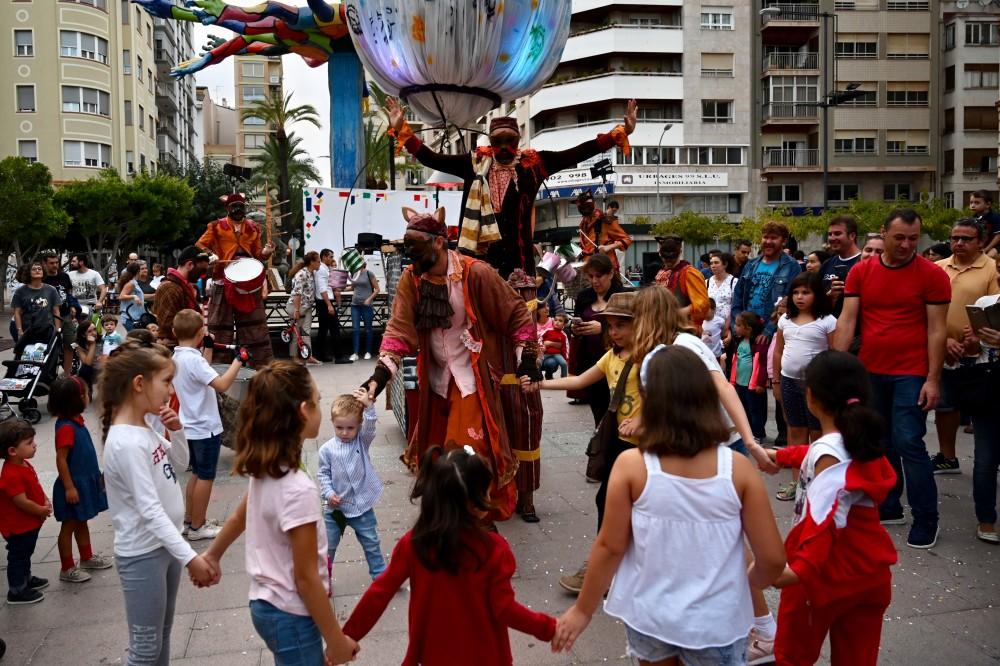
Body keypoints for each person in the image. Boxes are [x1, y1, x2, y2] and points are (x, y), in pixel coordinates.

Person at [551, 344, 786, 662]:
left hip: (651, 616)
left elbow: (609, 546)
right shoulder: (738, 469)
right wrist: (746, 584)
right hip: (717, 621)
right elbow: (771, 559)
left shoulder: (632, 466)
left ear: (649, 401)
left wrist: (583, 610)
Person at [360, 207, 541, 523]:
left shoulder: (475, 273)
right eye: (409, 249)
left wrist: (526, 361)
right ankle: (449, 518)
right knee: (438, 454)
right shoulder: (411, 279)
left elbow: (516, 314)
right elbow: (398, 330)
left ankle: (470, 522)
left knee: (467, 451)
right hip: (435, 381)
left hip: (471, 379)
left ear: (440, 243)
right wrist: (376, 379)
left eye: (417, 248)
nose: (412, 257)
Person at [200, 361, 361, 665]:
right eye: (317, 401)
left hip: (267, 603)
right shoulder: (297, 488)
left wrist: (212, 555)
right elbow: (306, 578)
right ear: (304, 411)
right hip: (291, 613)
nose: (320, 407)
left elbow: (239, 516)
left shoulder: (268, 466)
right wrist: (335, 640)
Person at [342, 447, 557, 663]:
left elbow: (380, 592)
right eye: (486, 491)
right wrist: (550, 628)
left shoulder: (414, 544)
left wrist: (347, 636)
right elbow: (505, 608)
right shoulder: (494, 549)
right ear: (474, 504)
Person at [385, 96, 637, 278]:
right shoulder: (474, 163)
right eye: (498, 141)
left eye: (510, 141)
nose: (504, 147)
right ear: (490, 141)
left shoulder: (533, 164)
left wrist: (619, 133)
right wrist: (403, 131)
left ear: (518, 140)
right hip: (478, 257)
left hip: (519, 259)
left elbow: (576, 153)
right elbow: (432, 159)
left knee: (519, 325)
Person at [767, 351, 898, 666]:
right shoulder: (862, 441)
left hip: (820, 579)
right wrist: (781, 456)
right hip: (869, 575)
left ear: (810, 397)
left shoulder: (829, 452)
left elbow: (823, 519)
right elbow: (821, 455)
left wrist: (796, 572)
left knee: (792, 657)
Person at [834, 208, 951, 549]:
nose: (906, 245)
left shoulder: (931, 275)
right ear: (883, 233)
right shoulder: (862, 271)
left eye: (913, 239)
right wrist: (837, 371)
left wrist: (933, 379)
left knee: (909, 442)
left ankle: (927, 518)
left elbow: (937, 330)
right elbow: (847, 321)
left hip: (911, 372)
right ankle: (889, 505)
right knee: (880, 441)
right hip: (871, 370)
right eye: (899, 237)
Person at [100, 340, 217, 663]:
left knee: (161, 636)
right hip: (143, 554)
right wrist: (191, 557)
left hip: (164, 547)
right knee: (145, 648)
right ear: (139, 384)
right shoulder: (125, 442)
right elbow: (149, 510)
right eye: (166, 381)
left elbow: (178, 466)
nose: (170, 390)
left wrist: (176, 431)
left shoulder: (144, 430)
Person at [528, 292, 638, 591]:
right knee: (610, 502)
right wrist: (540, 385)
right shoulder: (612, 356)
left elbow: (668, 396)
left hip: (645, 448)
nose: (614, 332)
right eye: (610, 325)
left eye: (621, 325)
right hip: (619, 444)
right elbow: (578, 380)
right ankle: (610, 566)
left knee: (619, 504)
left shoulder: (651, 356)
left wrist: (645, 418)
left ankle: (608, 568)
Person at [930, 219, 1000, 474]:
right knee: (945, 405)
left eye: (966, 239)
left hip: (980, 353)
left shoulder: (992, 269)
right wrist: (944, 341)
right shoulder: (937, 268)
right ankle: (947, 457)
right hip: (943, 350)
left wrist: (977, 338)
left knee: (984, 412)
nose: (958, 243)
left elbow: (994, 310)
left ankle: (989, 461)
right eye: (954, 238)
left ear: (981, 241)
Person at [172, 308, 244, 541]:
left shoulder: (179, 358)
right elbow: (222, 384)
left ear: (175, 332)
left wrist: (208, 347)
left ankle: (190, 520)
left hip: (189, 425)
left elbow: (203, 370)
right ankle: (198, 527)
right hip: (205, 427)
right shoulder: (193, 360)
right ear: (200, 332)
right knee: (206, 476)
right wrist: (239, 361)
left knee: (197, 474)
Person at [731, 221, 802, 437]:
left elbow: (790, 302)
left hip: (773, 332)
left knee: (777, 382)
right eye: (765, 237)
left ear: (783, 241)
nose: (768, 241)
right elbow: (738, 296)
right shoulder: (751, 265)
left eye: (774, 238)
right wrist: (737, 323)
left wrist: (770, 330)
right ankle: (755, 431)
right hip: (747, 332)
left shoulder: (791, 267)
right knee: (748, 385)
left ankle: (783, 433)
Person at [773, 272, 836, 501]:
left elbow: (833, 353)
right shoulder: (785, 320)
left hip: (817, 386)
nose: (800, 297)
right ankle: (796, 481)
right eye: (796, 292)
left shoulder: (827, 321)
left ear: (816, 294)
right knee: (795, 431)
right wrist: (776, 381)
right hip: (789, 381)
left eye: (806, 292)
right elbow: (779, 350)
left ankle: (819, 483)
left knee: (818, 433)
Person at [197, 192, 276, 365]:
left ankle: (260, 365)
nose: (239, 209)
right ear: (228, 208)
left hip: (248, 279)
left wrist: (265, 253)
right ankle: (218, 366)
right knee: (219, 324)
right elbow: (201, 244)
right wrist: (211, 255)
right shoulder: (216, 226)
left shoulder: (253, 227)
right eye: (235, 206)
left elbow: (257, 253)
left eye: (241, 206)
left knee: (254, 324)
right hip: (223, 278)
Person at [47, 376, 112, 583]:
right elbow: (61, 459)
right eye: (85, 393)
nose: (88, 396)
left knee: (81, 522)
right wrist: (69, 487)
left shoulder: (75, 422)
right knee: (69, 526)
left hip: (83, 483)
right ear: (76, 399)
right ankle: (67, 568)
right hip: (74, 486)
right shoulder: (66, 427)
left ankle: (86, 557)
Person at [317, 390, 386, 580]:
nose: (345, 432)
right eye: (339, 427)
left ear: (358, 426)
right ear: (332, 423)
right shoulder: (327, 450)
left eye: (350, 428)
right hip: (335, 508)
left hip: (361, 505)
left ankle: (380, 576)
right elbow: (323, 474)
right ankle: (323, 579)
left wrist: (369, 407)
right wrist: (329, 493)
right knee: (328, 546)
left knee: (371, 542)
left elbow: (371, 428)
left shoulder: (361, 441)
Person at [567, 254, 628, 415]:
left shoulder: (622, 296)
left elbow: (633, 327)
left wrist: (603, 329)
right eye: (591, 276)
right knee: (598, 414)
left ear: (610, 274)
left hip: (616, 362)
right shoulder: (584, 296)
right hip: (590, 363)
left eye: (599, 276)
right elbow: (576, 322)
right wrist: (575, 329)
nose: (594, 281)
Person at [0, 420, 52, 605]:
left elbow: (34, 485)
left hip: (29, 523)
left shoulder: (23, 463)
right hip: (18, 526)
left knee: (25, 553)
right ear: (12, 451)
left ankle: (25, 578)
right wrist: (41, 509)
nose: (35, 445)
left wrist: (44, 499)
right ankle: (16, 590)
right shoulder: (11, 473)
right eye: (29, 443)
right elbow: (20, 501)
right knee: (18, 555)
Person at [964, 276, 1000, 543]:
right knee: (985, 460)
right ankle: (986, 519)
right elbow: (973, 350)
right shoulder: (986, 304)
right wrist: (972, 340)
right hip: (989, 387)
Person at [153, 245, 209, 348]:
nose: (203, 276)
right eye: (202, 271)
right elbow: (168, 324)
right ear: (190, 264)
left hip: (183, 346)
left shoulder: (183, 286)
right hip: (173, 349)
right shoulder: (170, 287)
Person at [654, 235, 710, 331]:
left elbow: (702, 304)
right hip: (664, 329)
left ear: (680, 252)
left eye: (672, 257)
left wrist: (678, 313)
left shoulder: (689, 273)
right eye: (665, 257)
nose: (668, 260)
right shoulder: (662, 273)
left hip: (684, 329)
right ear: (660, 254)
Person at [730, 311, 769, 443]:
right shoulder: (740, 340)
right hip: (741, 383)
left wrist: (761, 383)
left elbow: (763, 364)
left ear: (749, 328)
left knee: (755, 410)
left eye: (738, 325)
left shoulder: (759, 344)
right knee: (744, 408)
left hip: (752, 385)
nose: (735, 327)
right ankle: (747, 432)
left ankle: (758, 434)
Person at [12, 261, 61, 358]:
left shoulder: (51, 290)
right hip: (28, 331)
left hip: (47, 330)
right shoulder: (20, 291)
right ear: (28, 273)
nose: (37, 271)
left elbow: (56, 311)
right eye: (34, 269)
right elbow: (17, 313)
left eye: (40, 269)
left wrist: (57, 331)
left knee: (46, 359)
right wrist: (19, 331)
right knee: (25, 358)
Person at [577, 190, 633, 276]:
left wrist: (608, 247)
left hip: (606, 271)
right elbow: (586, 246)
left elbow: (627, 240)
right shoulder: (583, 224)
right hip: (588, 271)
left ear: (594, 204)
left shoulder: (605, 221)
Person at [41, 251, 78, 375]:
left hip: (65, 315)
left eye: (56, 262)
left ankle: (67, 374)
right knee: (48, 346)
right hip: (47, 317)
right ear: (44, 264)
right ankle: (47, 374)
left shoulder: (64, 276)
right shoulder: (42, 278)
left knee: (70, 344)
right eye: (51, 263)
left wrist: (72, 305)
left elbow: (70, 293)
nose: (55, 265)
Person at [819, 215, 863, 319]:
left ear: (852, 236)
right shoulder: (827, 264)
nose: (832, 238)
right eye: (830, 234)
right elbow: (815, 297)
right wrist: (829, 296)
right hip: (829, 328)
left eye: (837, 234)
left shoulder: (864, 262)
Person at [286, 251, 322, 365]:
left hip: (306, 307)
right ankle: (294, 357)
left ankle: (308, 355)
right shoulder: (302, 274)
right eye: (318, 261)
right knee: (296, 332)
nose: (320, 263)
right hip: (297, 306)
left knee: (306, 332)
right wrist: (296, 310)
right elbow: (297, 293)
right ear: (311, 262)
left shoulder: (312, 273)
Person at [313, 248, 342, 363]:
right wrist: (329, 305)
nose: (332, 259)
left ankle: (320, 355)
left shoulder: (325, 269)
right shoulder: (321, 270)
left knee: (323, 330)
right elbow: (322, 289)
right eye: (330, 257)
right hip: (325, 302)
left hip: (323, 302)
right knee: (334, 329)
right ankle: (339, 356)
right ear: (324, 257)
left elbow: (328, 286)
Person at [349, 259, 380, 361]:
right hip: (355, 304)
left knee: (368, 329)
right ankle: (355, 353)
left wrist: (369, 299)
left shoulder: (369, 273)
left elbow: (377, 289)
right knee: (355, 329)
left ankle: (368, 351)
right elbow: (353, 287)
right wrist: (341, 287)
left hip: (367, 305)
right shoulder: (354, 273)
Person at [707, 252, 738, 335]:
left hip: (728, 326)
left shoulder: (734, 282)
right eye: (711, 263)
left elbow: (735, 306)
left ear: (725, 264)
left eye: (716, 262)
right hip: (710, 327)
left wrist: (727, 327)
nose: (713, 265)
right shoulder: (707, 282)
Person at [69, 253, 107, 318]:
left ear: (81, 262)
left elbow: (103, 289)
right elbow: (68, 291)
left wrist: (99, 302)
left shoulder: (94, 274)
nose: (71, 263)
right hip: (76, 307)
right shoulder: (69, 274)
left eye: (74, 261)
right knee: (78, 327)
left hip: (92, 307)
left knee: (93, 327)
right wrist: (71, 305)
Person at [116, 263, 145, 331]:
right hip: (129, 317)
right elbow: (121, 296)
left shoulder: (135, 282)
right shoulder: (131, 283)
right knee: (134, 339)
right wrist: (134, 296)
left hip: (135, 317)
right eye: (141, 269)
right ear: (138, 271)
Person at [970, 190, 1000, 255]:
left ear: (988, 204)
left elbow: (998, 236)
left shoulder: (995, 217)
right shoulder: (973, 219)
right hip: (982, 246)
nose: (973, 205)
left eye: (977, 203)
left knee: (989, 256)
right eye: (971, 202)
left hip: (996, 246)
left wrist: (986, 249)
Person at [74, 320, 100, 393]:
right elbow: (87, 364)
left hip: (103, 369)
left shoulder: (103, 340)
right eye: (90, 331)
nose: (94, 333)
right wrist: (92, 345)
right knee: (84, 370)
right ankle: (87, 392)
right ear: (83, 335)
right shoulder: (78, 345)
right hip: (91, 371)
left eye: (95, 329)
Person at [542, 313, 570, 379]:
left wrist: (566, 358)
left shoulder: (563, 335)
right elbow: (540, 338)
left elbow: (565, 348)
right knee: (538, 362)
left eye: (560, 321)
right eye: (555, 320)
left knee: (564, 364)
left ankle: (564, 378)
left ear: (564, 324)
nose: (557, 322)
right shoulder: (548, 331)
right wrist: (542, 346)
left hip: (557, 354)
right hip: (546, 353)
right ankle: (538, 377)